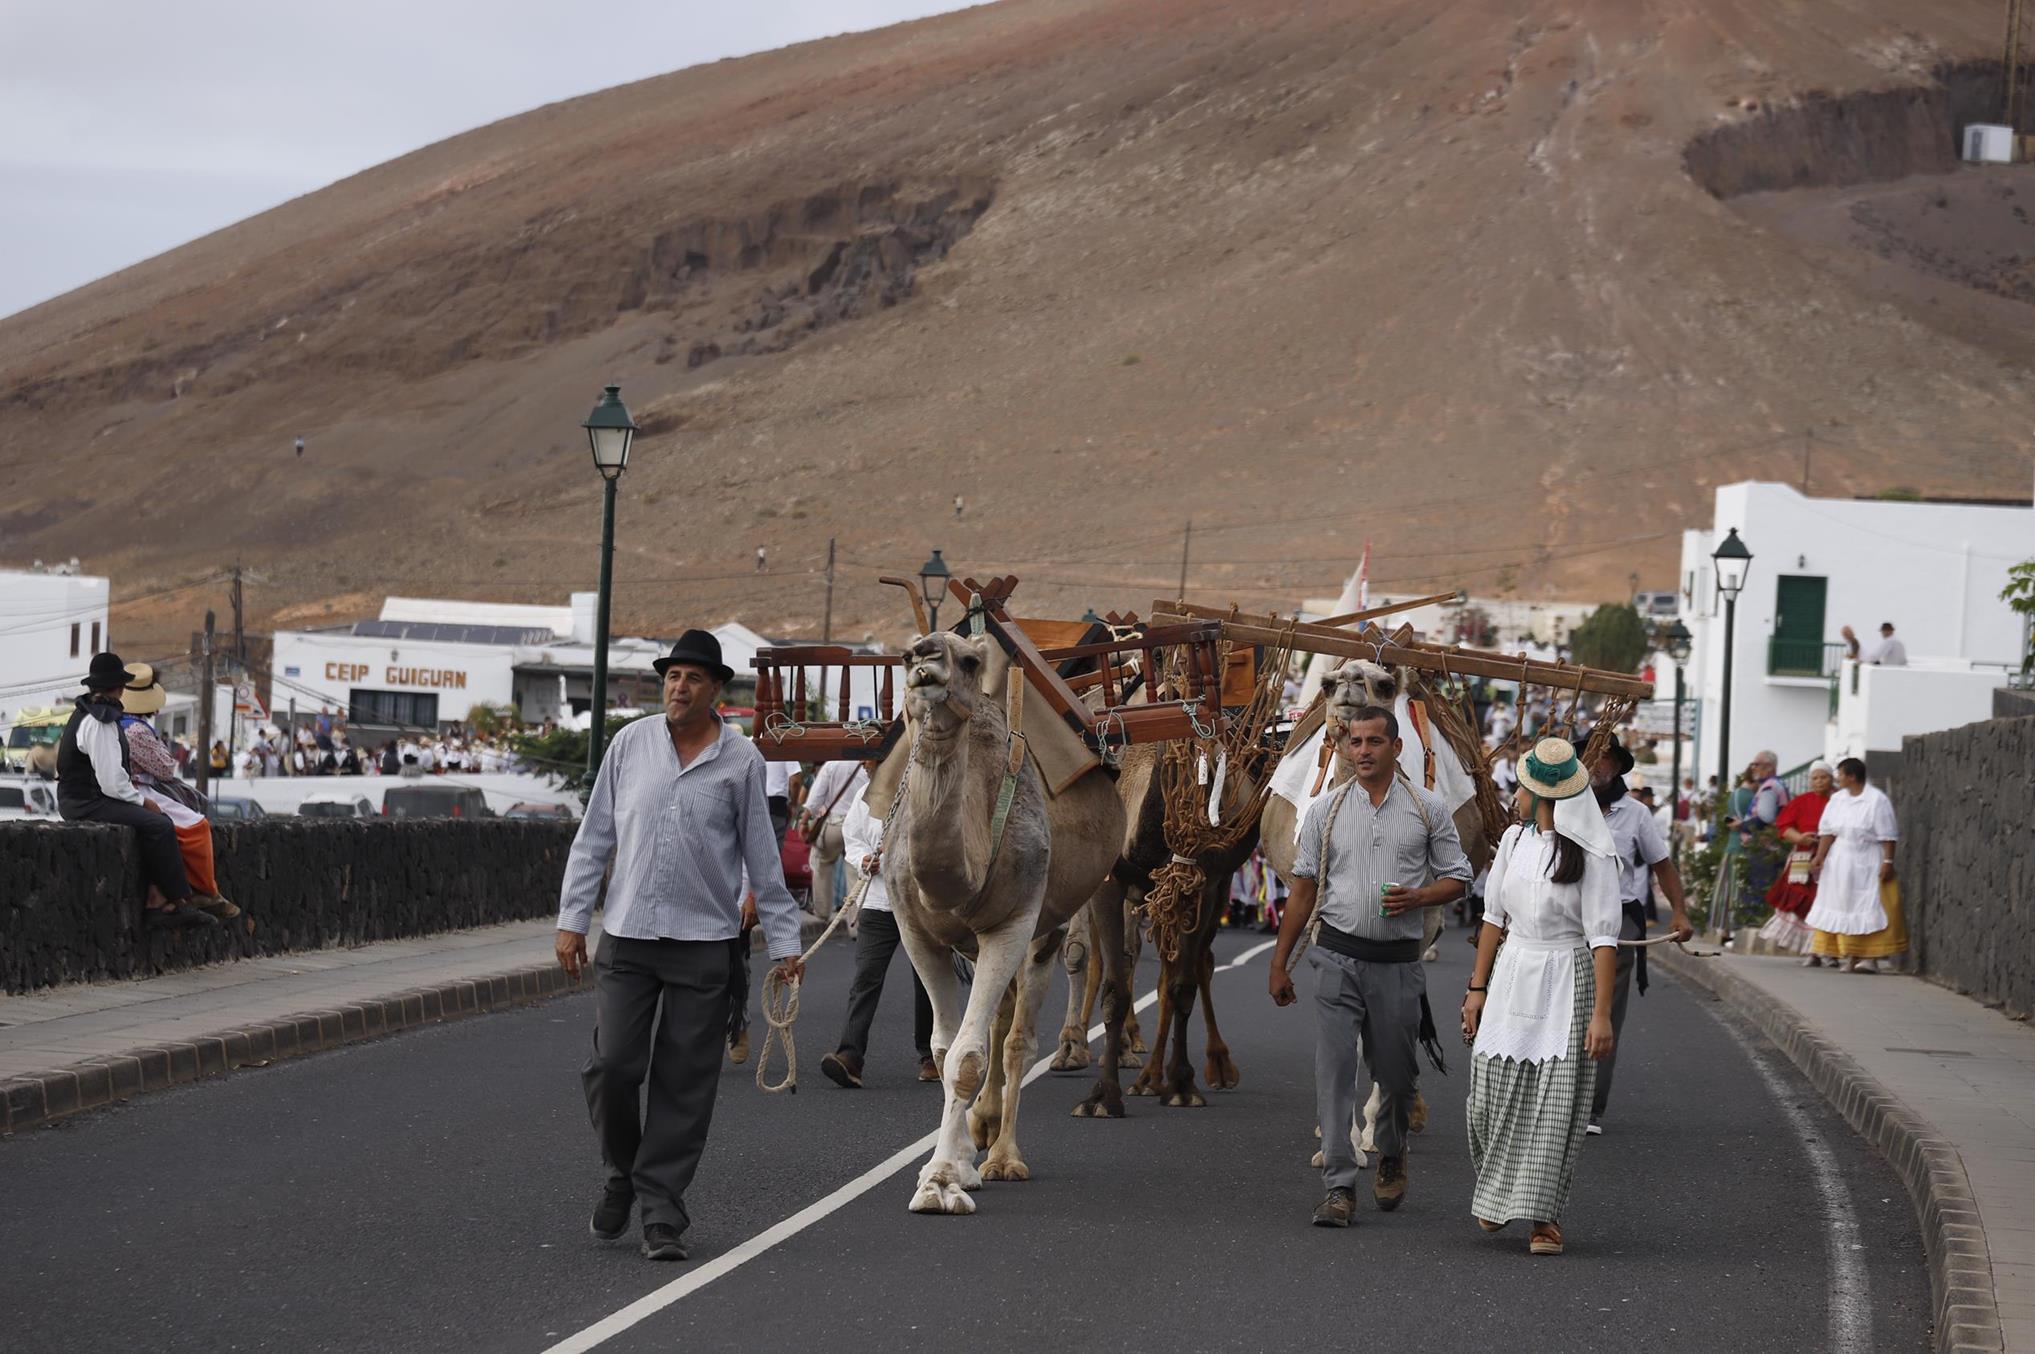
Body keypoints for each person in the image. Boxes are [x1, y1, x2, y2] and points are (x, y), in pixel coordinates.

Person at [555, 630, 804, 1263]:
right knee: (613, 1066)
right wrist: (571, 919)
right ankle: (621, 1172)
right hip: (628, 935)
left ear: (716, 689)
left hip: (704, 943)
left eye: (693, 678)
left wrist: (784, 943)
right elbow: (594, 838)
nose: (679, 687)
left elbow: (761, 856)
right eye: (672, 676)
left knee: (684, 1083)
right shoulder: (630, 744)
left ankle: (661, 1210)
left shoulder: (741, 760)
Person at [1269, 705, 1471, 1228]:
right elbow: (1303, 889)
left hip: (1399, 966)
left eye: (1373, 741)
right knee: (1334, 1072)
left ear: (1395, 747)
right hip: (1336, 957)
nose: (1362, 750)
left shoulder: (1428, 809)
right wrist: (1279, 963)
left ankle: (1392, 1149)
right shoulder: (1325, 811)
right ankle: (1339, 1186)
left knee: (1398, 1077)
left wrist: (1421, 896)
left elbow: (1458, 878)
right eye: (1354, 741)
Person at [1461, 738, 1621, 1256]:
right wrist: (1475, 989)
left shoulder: (1592, 855)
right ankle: (1496, 1191)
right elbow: (1492, 919)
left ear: (1541, 794)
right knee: (1488, 1092)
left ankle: (1543, 1220)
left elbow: (1603, 938)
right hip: (1512, 971)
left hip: (1567, 976)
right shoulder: (1512, 841)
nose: (1515, 799)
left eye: (1522, 790)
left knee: (1554, 1103)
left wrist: (1601, 1015)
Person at [55, 654, 215, 929]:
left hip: (80, 798)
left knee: (156, 824)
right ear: (119, 688)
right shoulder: (100, 720)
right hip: (87, 801)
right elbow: (112, 782)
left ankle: (161, 899)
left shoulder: (86, 711)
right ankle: (172, 902)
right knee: (160, 824)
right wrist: (142, 802)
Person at [1585, 735, 1692, 1135]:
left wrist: (1679, 911)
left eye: (1604, 758)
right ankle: (1552, 1098)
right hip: (1565, 918)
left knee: (1605, 1011)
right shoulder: (1559, 805)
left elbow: (1662, 866)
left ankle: (1591, 1108)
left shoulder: (1636, 814)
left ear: (1616, 765)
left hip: (1618, 919)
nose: (1596, 764)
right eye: (1589, 756)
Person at [819, 791, 937, 1088]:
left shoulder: (922, 789)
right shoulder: (863, 795)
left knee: (928, 980)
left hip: (918, 901)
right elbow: (853, 840)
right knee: (866, 977)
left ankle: (932, 1053)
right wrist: (864, 861)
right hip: (877, 901)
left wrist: (888, 859)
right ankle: (850, 1055)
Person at [116, 664, 239, 920]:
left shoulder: (118, 723)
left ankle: (169, 892)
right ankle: (205, 890)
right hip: (140, 788)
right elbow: (166, 767)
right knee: (196, 826)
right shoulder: (136, 730)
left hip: (128, 787)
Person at [1805, 758, 1906, 973]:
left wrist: (1888, 861)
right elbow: (1827, 831)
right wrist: (1820, 856)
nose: (1837, 778)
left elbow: (1888, 835)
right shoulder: (1837, 800)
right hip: (1841, 859)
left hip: (1867, 857)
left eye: (1840, 774)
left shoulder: (1876, 800)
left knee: (1868, 904)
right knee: (1843, 904)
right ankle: (1850, 955)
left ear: (1852, 776)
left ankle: (1870, 958)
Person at [1762, 761, 1833, 959]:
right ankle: (1811, 952)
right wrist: (1801, 838)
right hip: (1803, 858)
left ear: (1832, 779)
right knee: (1803, 901)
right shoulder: (1801, 801)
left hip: (1832, 859)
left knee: (1828, 902)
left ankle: (1828, 950)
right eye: (1815, 778)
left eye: (1823, 777)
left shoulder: (1838, 801)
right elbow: (1784, 827)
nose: (1819, 782)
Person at [800, 757, 867, 922]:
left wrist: (803, 821)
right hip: (858, 826)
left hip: (835, 825)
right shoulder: (865, 764)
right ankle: (855, 922)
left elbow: (815, 799)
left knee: (821, 862)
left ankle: (822, 910)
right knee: (855, 872)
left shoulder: (831, 765)